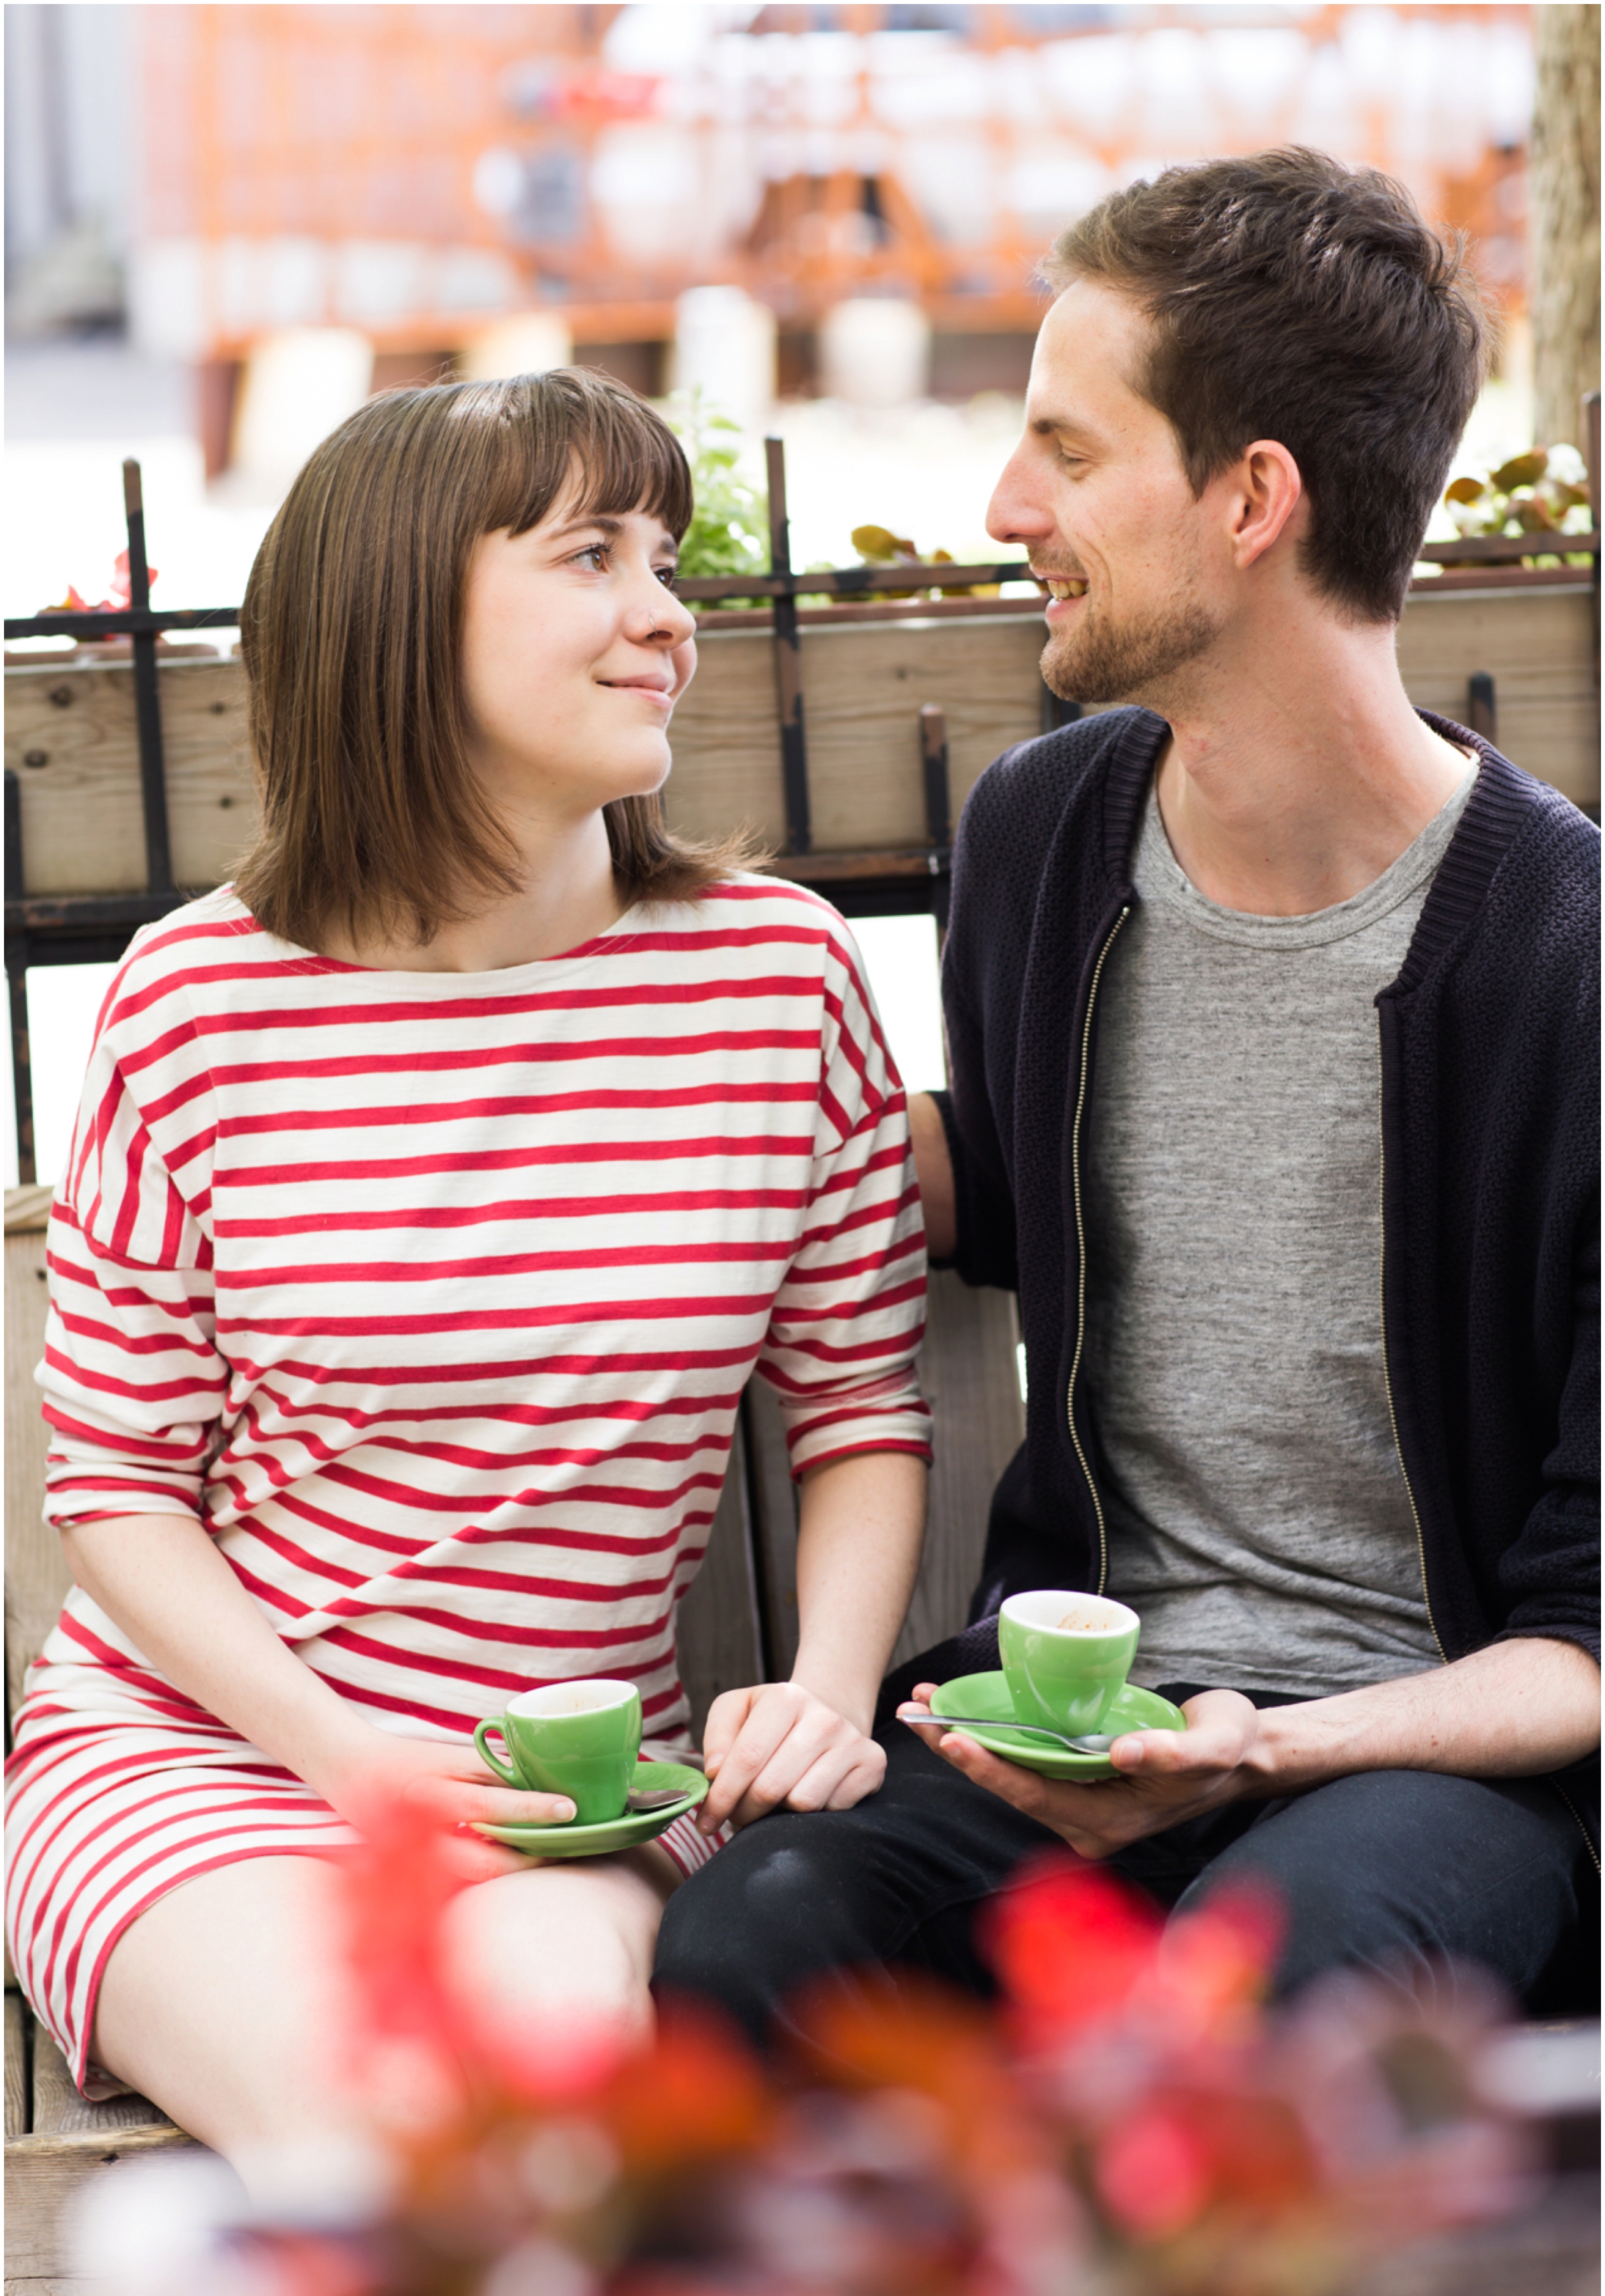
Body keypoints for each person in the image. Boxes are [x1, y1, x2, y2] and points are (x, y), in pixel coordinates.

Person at [653, 150, 1600, 2047]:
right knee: (747, 1943)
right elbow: (996, 1186)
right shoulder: (1047, 836)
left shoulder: (1564, 954)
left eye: (1068, 454)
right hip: (1062, 1708)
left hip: (1426, 1758)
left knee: (1255, 2005)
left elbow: (1587, 1641)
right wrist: (633, 1065)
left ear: (1255, 500)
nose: (1009, 507)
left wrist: (1265, 1749)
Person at [4, 369, 931, 2176]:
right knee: (391, 2152)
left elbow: (861, 1403)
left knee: (545, 2144)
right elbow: (116, 1482)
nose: (667, 614)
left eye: (665, 558)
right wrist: (351, 1753)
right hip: (206, 1758)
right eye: (593, 555)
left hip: (573, 1787)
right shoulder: (200, 1006)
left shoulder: (776, 980)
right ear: (401, 611)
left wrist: (824, 1688)